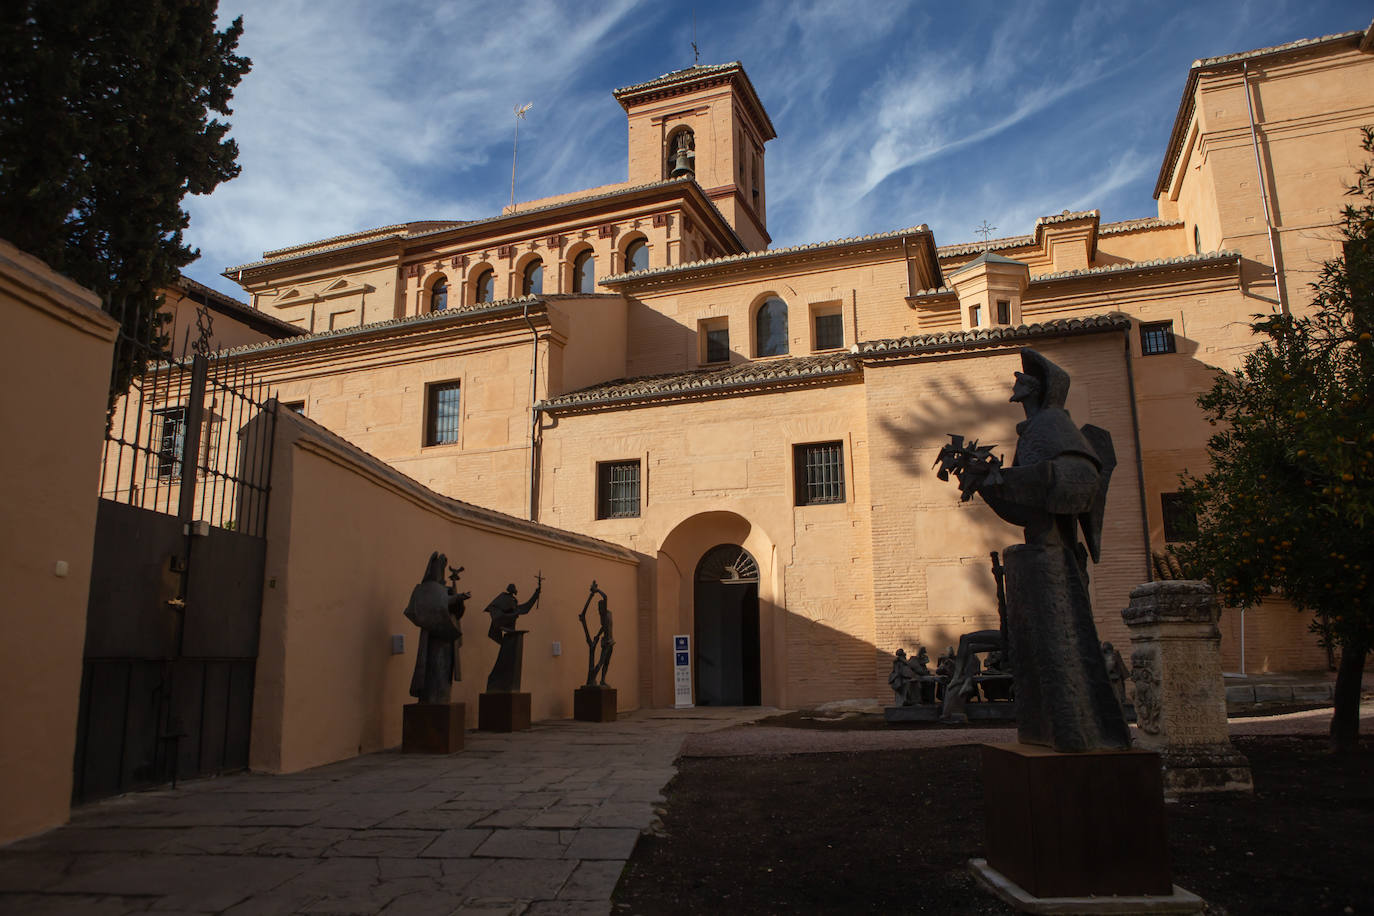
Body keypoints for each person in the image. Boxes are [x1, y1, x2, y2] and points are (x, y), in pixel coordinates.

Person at [944, 348, 1130, 752]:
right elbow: (1022, 509)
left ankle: (1074, 732)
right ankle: (1049, 730)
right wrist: (987, 480)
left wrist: (1011, 478)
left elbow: (1078, 480)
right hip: (1034, 554)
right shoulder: (1033, 431)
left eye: (1024, 376)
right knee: (1038, 657)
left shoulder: (1051, 424)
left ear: (1038, 388)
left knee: (1059, 651)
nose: (1017, 378)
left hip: (1053, 555)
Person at [404, 551, 468, 705]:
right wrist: (454, 599)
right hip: (433, 640)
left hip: (447, 638)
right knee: (433, 671)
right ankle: (431, 699)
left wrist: (458, 599)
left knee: (444, 673)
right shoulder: (425, 589)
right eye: (440, 568)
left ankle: (442, 698)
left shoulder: (444, 590)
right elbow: (424, 608)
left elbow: (457, 613)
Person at [483, 578, 541, 692]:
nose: (515, 591)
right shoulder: (503, 599)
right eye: (514, 589)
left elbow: (525, 608)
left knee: (511, 662)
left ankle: (509, 685)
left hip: (512, 635)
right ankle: (498, 684)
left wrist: (536, 594)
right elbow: (496, 614)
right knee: (504, 660)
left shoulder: (513, 601)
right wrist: (512, 615)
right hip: (508, 633)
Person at [579, 580, 615, 686]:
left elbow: (604, 627)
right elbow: (603, 627)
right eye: (598, 608)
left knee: (606, 663)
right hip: (606, 642)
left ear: (603, 607)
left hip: (611, 640)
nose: (598, 610)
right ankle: (593, 679)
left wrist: (597, 590)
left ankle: (602, 680)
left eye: (600, 607)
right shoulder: (603, 615)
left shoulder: (608, 613)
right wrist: (598, 636)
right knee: (601, 662)